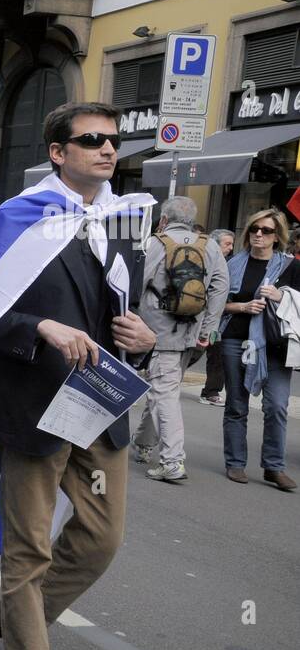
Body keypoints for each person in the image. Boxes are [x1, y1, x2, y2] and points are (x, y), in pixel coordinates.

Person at [0, 102, 157, 650]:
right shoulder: (22, 216)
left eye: (112, 141)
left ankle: (21, 619)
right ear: (57, 151)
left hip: (99, 399)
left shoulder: (125, 220)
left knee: (102, 537)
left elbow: (120, 311)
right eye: (91, 140)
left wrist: (142, 336)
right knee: (30, 545)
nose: (106, 149)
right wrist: (41, 326)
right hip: (33, 401)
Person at [132, 196, 229, 482]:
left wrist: (133, 322)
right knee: (164, 387)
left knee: (164, 391)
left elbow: (137, 285)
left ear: (164, 219)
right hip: (191, 331)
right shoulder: (209, 245)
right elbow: (221, 289)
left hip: (157, 331)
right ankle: (143, 443)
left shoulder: (154, 244)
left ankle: (172, 461)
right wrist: (207, 329)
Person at [220, 207, 300, 491]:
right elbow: (215, 303)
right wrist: (242, 306)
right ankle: (235, 462)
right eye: (255, 228)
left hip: (276, 346)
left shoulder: (290, 267)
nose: (258, 234)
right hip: (235, 340)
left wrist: (282, 296)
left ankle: (273, 467)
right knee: (236, 405)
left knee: (277, 406)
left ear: (276, 237)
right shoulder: (231, 264)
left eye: (266, 231)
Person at [200, 229, 235, 406]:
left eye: (231, 244)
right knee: (190, 354)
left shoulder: (232, 264)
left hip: (220, 321)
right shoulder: (202, 259)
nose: (230, 248)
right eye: (226, 244)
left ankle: (211, 391)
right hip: (198, 317)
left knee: (217, 356)